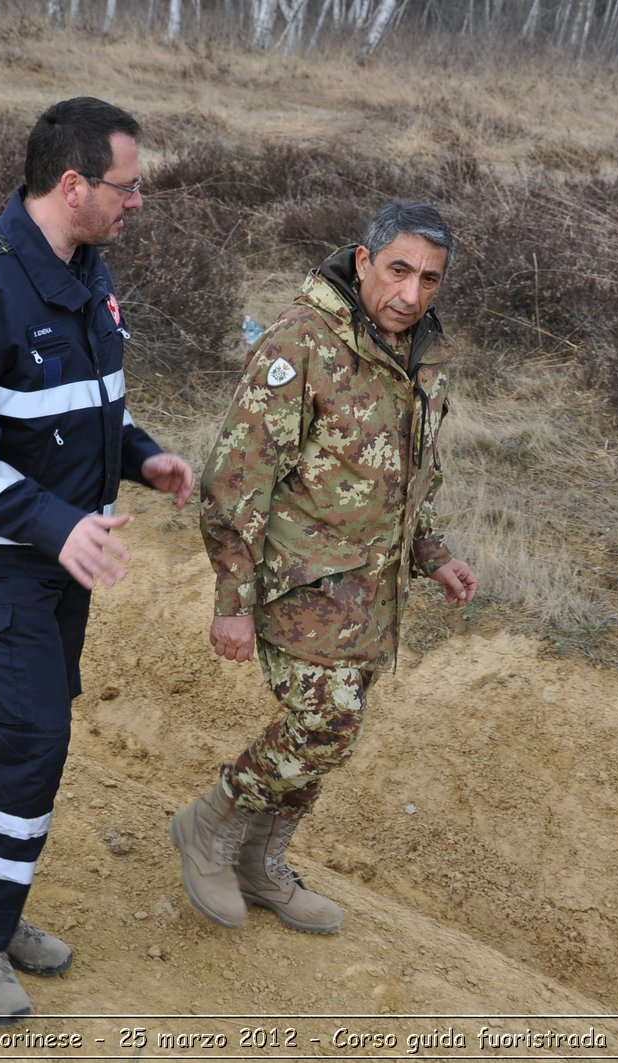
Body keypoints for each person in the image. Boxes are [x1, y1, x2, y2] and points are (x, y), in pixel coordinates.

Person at [0, 97, 194, 1024]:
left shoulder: (83, 273)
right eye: (127, 185)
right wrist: (52, 522)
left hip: (61, 553)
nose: (138, 200)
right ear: (73, 185)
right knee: (32, 737)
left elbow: (81, 406)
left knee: (22, 739)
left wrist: (140, 457)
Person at [173, 201, 477, 934]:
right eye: (399, 270)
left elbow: (413, 472)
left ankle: (262, 863)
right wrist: (233, 599)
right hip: (300, 585)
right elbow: (234, 482)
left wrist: (432, 552)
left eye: (429, 279)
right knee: (325, 723)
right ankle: (209, 822)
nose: (411, 293)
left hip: (371, 597)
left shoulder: (420, 353)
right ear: (363, 259)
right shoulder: (301, 344)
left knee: (332, 734)